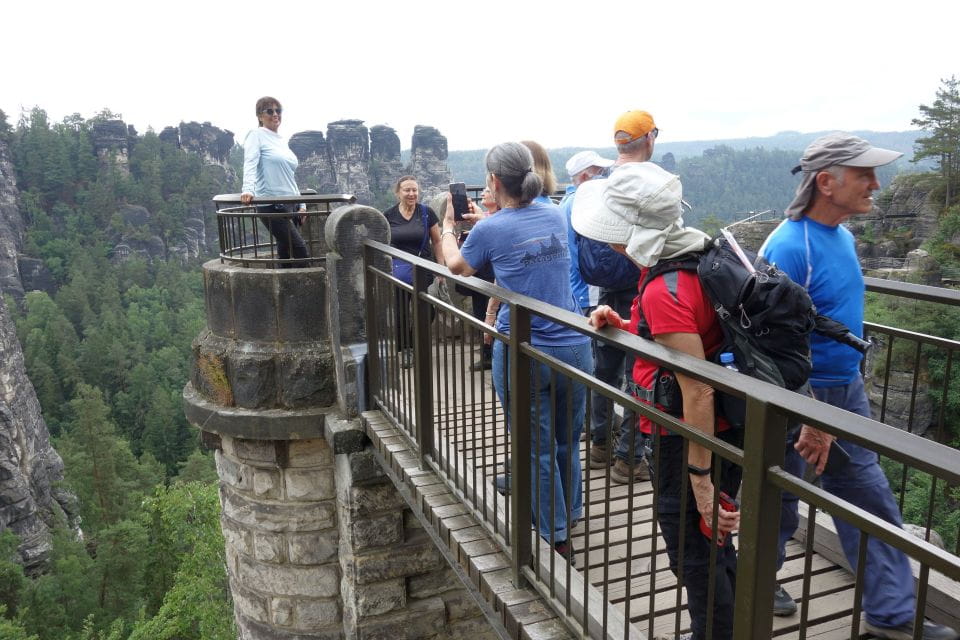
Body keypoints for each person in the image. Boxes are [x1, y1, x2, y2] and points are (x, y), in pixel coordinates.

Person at [760, 133, 959, 640]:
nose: (876, 183)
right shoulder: (789, 246)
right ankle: (751, 585)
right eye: (865, 174)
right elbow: (765, 345)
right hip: (803, 397)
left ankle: (891, 617)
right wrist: (810, 414)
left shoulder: (842, 236)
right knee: (778, 497)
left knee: (866, 494)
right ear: (827, 183)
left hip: (845, 390)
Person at [574, 158, 740, 640]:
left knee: (692, 548)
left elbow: (698, 389)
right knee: (711, 542)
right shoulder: (686, 260)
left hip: (687, 436)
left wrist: (701, 481)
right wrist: (627, 326)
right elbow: (691, 340)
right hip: (715, 430)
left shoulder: (665, 288)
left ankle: (715, 632)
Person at [440, 142, 592, 561]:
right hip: (576, 345)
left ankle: (555, 536)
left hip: (527, 349)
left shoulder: (490, 230)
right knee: (566, 441)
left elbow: (458, 267)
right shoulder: (555, 212)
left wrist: (451, 228)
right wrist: (489, 219)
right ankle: (572, 511)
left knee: (535, 446)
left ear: (493, 181)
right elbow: (523, 244)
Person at [383, 176, 445, 367]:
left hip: (424, 268)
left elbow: (437, 241)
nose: (411, 194)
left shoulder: (427, 213)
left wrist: (440, 269)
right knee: (401, 312)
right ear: (398, 192)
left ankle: (414, 341)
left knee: (428, 310)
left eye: (414, 190)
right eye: (407, 190)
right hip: (399, 271)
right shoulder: (388, 215)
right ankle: (406, 350)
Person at [241, 96, 309, 266]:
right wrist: (247, 190)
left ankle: (288, 291)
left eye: (278, 111)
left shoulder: (280, 141)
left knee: (286, 252)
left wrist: (301, 204)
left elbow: (288, 177)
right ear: (259, 116)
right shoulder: (256, 135)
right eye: (269, 111)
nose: (275, 114)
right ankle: (308, 292)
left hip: (291, 204)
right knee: (299, 248)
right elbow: (250, 162)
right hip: (271, 204)